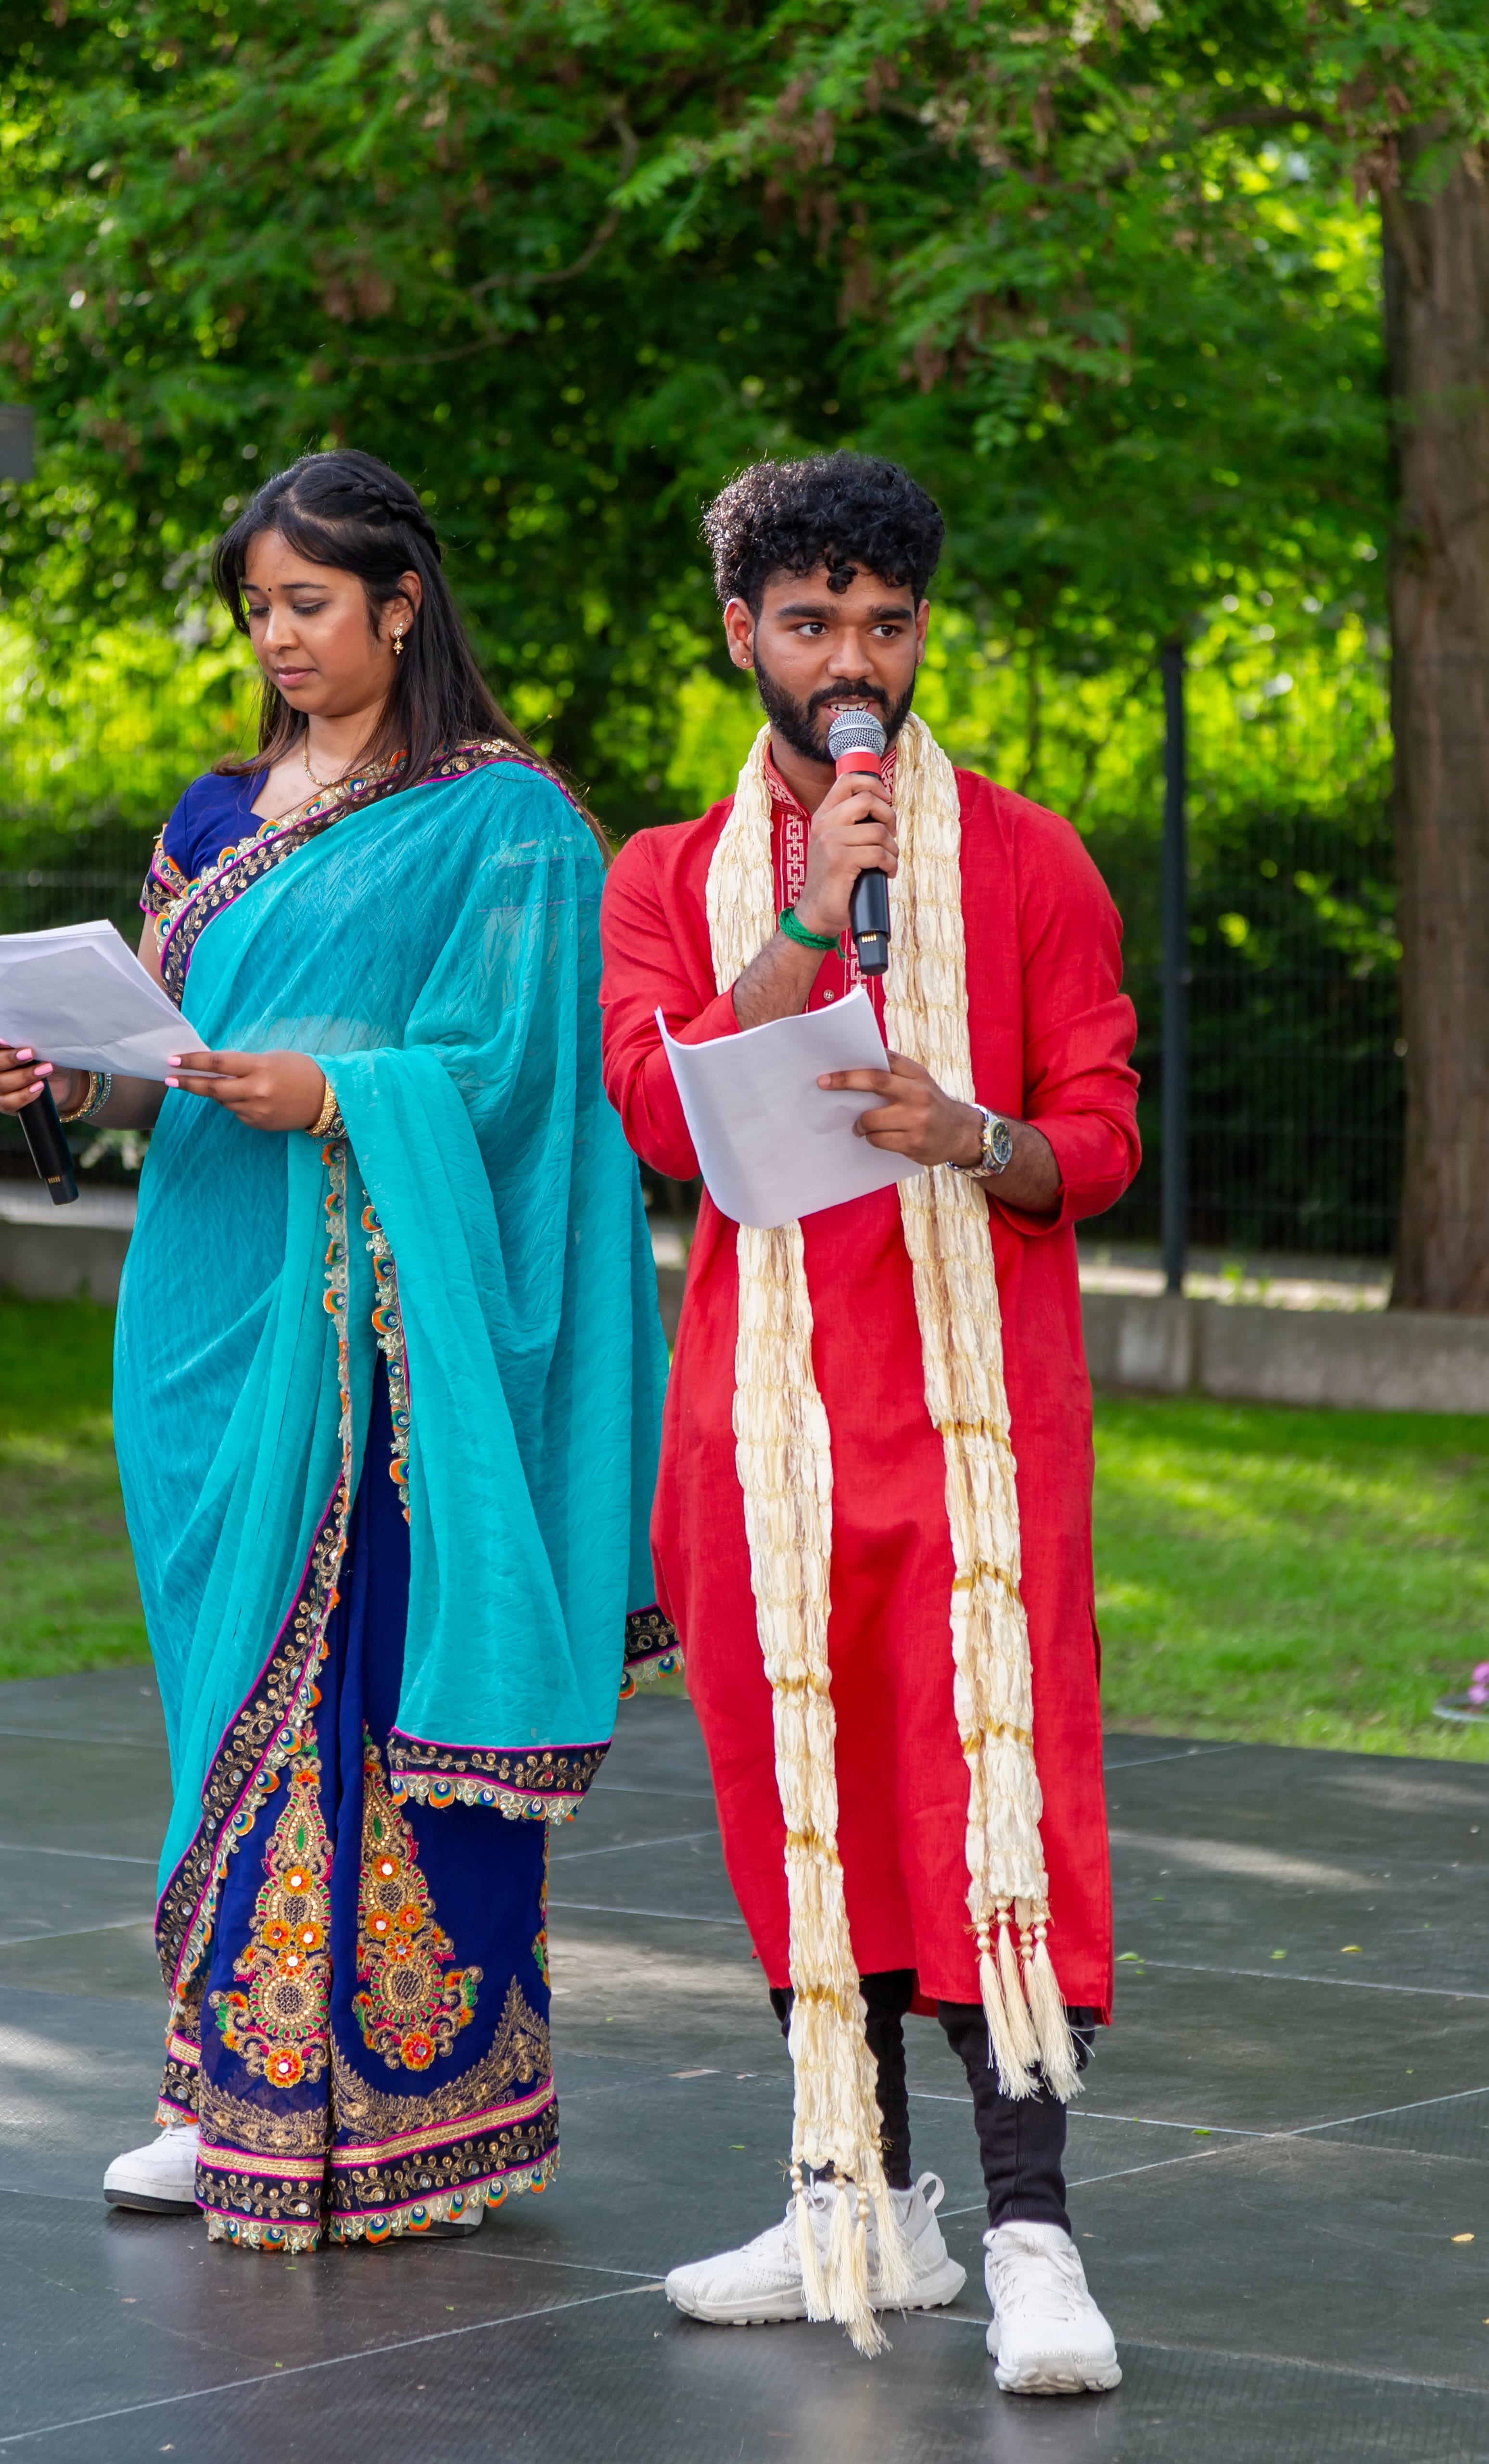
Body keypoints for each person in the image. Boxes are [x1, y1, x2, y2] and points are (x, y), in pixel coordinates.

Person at [0, 448, 674, 2253]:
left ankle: (425, 2101)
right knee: (229, 1703)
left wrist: (340, 1093)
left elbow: (527, 1079)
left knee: (367, 1692)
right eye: (258, 609)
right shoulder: (215, 817)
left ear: (401, 603)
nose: (279, 638)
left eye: (309, 602)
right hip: (206, 1311)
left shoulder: (508, 821)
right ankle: (226, 2087)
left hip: (387, 1340)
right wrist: (70, 1078)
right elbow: (170, 1052)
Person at [598, 452, 1139, 2390]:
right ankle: (859, 2205)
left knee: (990, 1805)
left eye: (887, 626)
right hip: (761, 1432)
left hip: (976, 1429)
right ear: (741, 631)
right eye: (813, 622)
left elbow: (1099, 1138)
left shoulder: (1031, 862)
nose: (854, 661)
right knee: (798, 1799)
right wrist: (803, 921)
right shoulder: (663, 878)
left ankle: (1031, 2236)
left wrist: (972, 1133)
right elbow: (659, 1116)